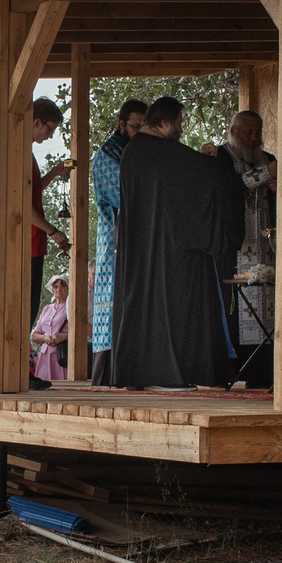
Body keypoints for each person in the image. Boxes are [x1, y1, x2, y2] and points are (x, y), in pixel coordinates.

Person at [111, 96, 247, 389]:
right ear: (163, 123)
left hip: (141, 250)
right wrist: (219, 160)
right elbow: (206, 177)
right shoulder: (163, 152)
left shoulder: (134, 152)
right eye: (179, 123)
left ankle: (146, 372)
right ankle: (179, 371)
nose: (182, 129)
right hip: (173, 251)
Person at [211, 109, 279, 382]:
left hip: (267, 246)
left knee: (268, 308)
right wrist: (265, 175)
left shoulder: (269, 159)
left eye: (257, 133)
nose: (254, 138)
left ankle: (265, 371)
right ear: (233, 132)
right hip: (235, 247)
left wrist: (276, 188)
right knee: (236, 309)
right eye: (248, 133)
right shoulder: (220, 158)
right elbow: (229, 189)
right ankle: (236, 369)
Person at [90, 98, 148, 385]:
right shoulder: (107, 156)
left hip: (141, 242)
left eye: (144, 126)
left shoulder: (138, 150)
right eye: (136, 127)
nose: (140, 132)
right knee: (114, 308)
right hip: (115, 245)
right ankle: (111, 377)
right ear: (122, 124)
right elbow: (128, 195)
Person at [26, 98, 73, 367]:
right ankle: (20, 368)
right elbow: (22, 202)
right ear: (36, 122)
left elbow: (32, 191)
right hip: (28, 243)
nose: (50, 135)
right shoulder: (19, 152)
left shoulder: (29, 153)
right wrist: (53, 231)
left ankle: (24, 367)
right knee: (26, 309)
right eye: (50, 129)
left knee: (31, 309)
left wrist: (55, 173)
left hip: (36, 242)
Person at [32, 273, 73, 381]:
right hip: (45, 356)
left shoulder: (71, 308)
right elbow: (35, 335)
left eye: (63, 285)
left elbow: (79, 332)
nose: (59, 289)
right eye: (56, 286)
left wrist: (64, 336)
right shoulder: (47, 309)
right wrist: (45, 338)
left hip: (61, 355)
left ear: (68, 288)